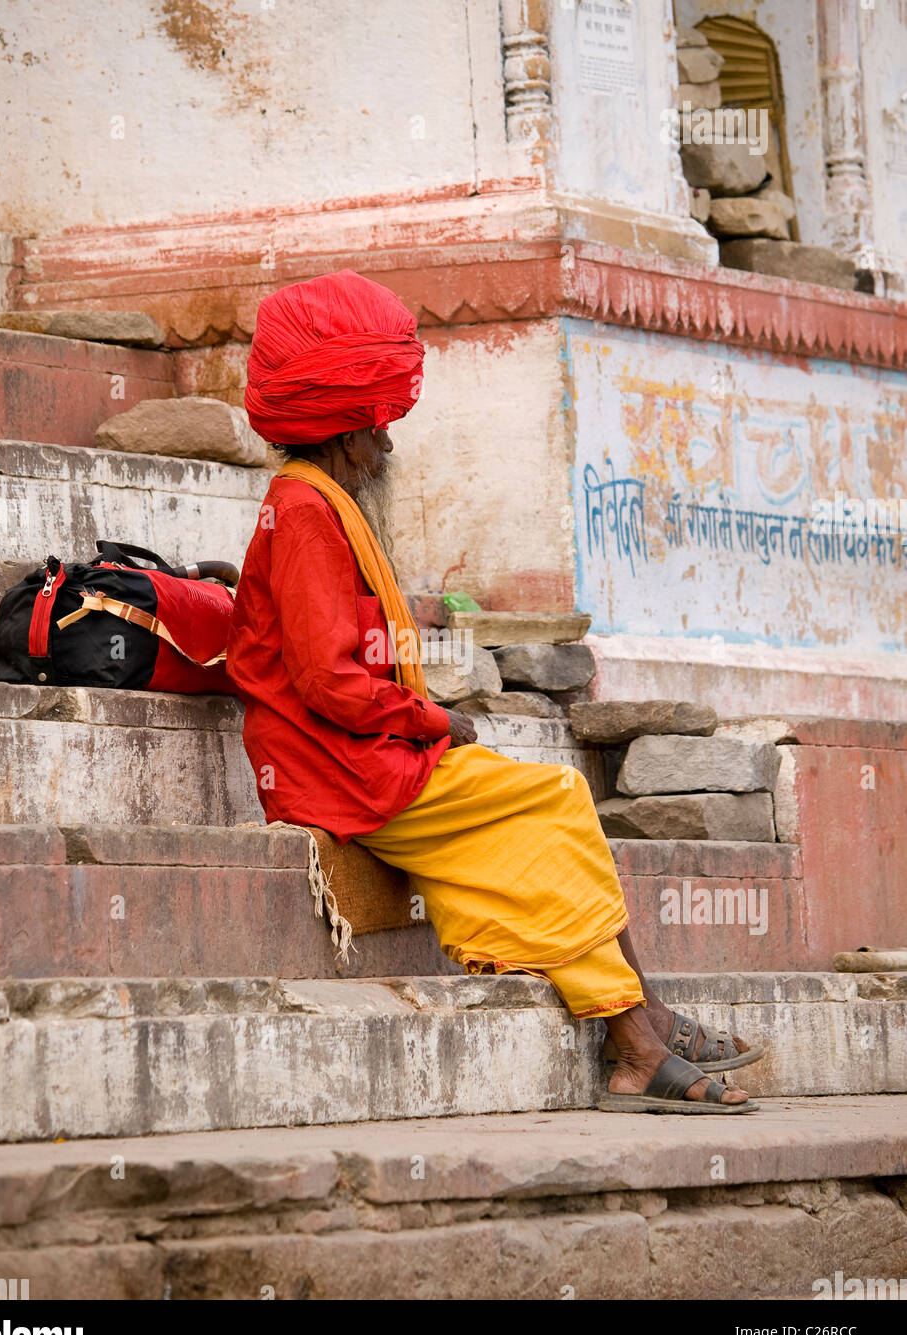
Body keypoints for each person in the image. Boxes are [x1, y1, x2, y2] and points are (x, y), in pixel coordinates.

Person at [227, 270, 762, 1115]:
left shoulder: (314, 501)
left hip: (362, 753)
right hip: (335, 769)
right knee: (549, 810)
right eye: (378, 431)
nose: (387, 450)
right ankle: (633, 1044)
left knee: (559, 806)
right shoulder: (303, 513)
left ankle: (645, 1026)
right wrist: (435, 717)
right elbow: (331, 681)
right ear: (343, 430)